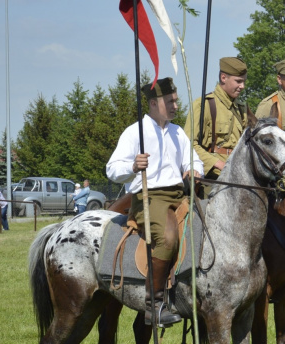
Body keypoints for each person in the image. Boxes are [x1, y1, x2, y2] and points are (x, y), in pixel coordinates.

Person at [106, 77, 203, 326]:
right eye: (169, 101)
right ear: (152, 103)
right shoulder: (134, 132)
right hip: (149, 197)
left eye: (176, 101)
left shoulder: (178, 131)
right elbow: (112, 169)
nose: (175, 105)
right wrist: (132, 166)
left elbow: (193, 160)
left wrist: (194, 170)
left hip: (179, 195)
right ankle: (155, 306)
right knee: (168, 237)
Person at [189, 57, 249, 179]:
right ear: (223, 78)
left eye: (244, 81)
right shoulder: (203, 105)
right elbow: (189, 145)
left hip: (239, 174)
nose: (242, 86)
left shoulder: (242, 109)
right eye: (238, 81)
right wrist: (218, 164)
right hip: (213, 176)